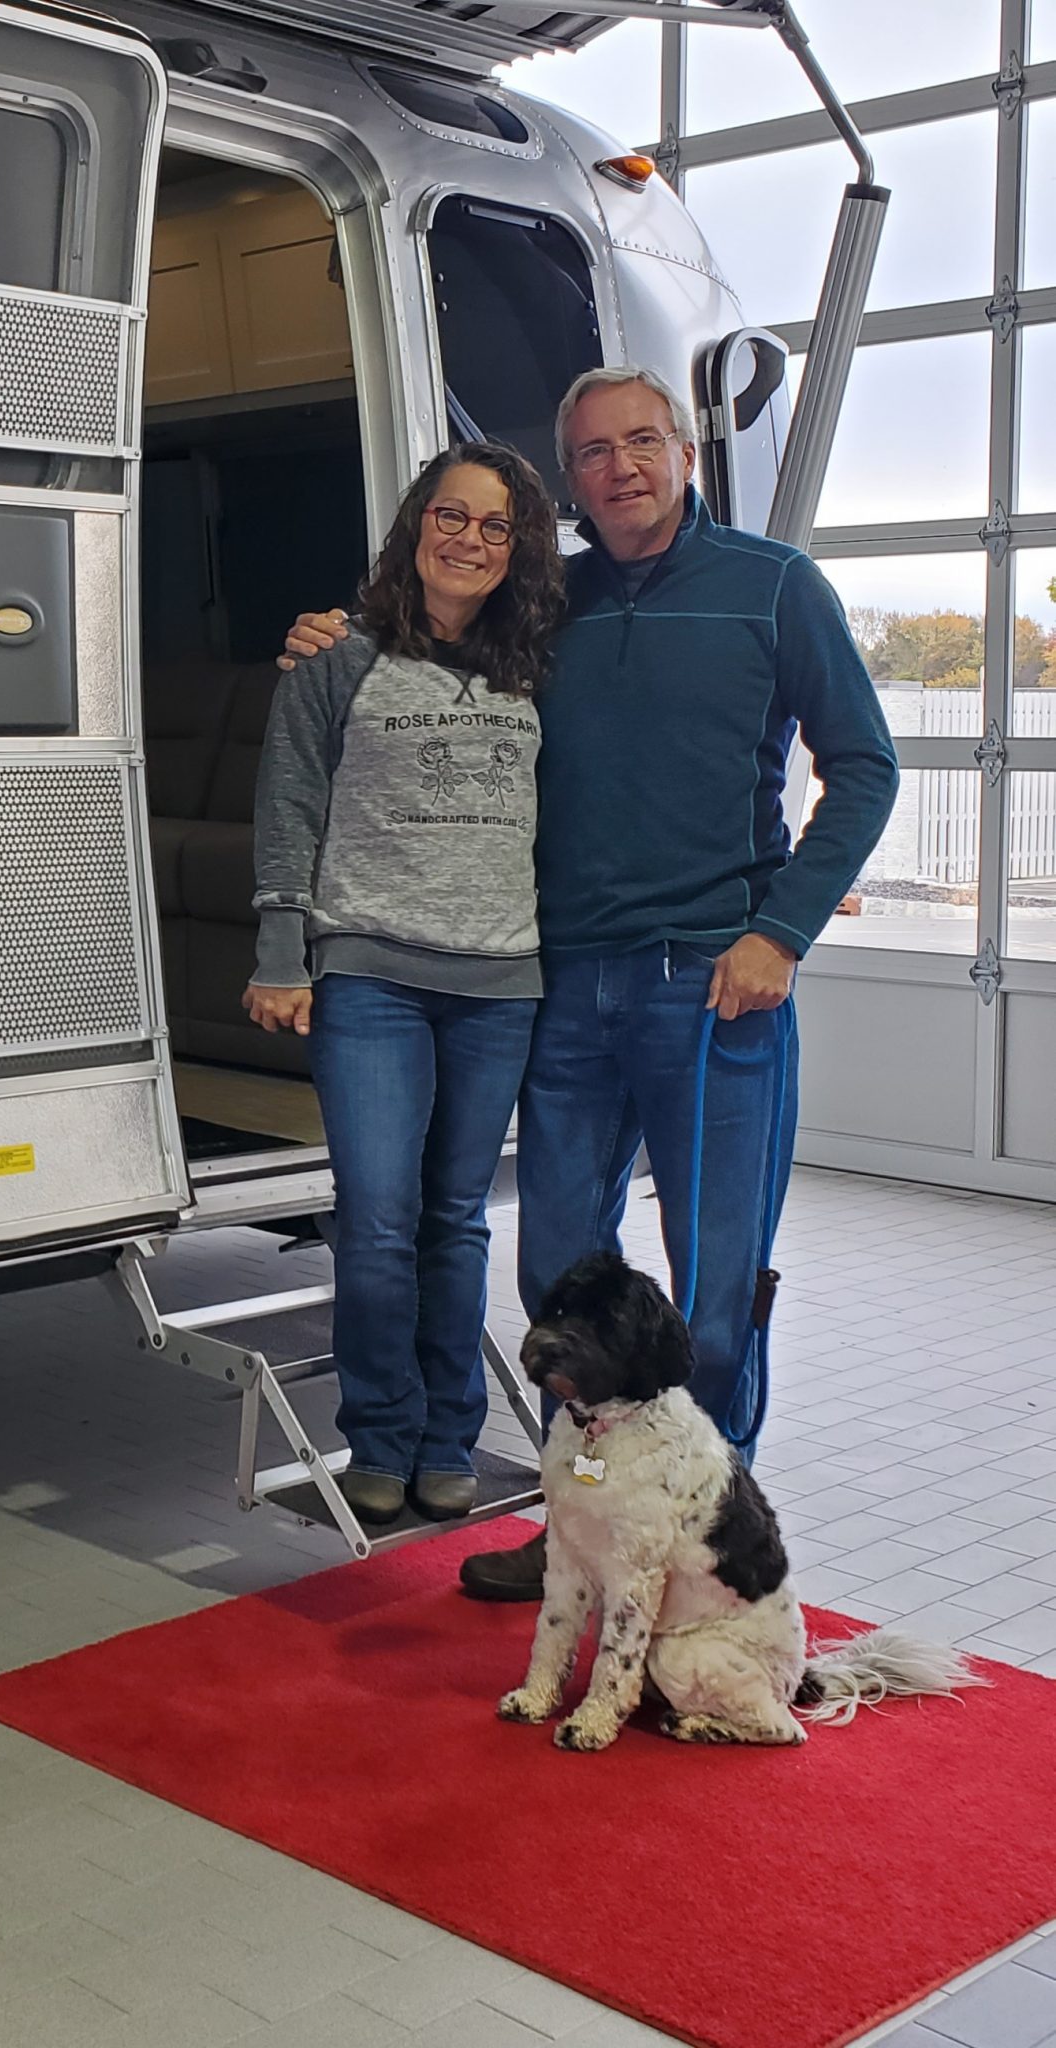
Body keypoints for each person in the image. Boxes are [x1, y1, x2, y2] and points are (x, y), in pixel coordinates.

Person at [278, 366, 899, 1594]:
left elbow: (864, 767)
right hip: (562, 989)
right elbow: (422, 650)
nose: (621, 467)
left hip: (713, 988)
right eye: (595, 451)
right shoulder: (544, 602)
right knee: (557, 1279)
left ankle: (704, 1546)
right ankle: (582, 1527)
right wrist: (327, 636)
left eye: (643, 441)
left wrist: (781, 931)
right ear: (567, 476)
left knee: (714, 1285)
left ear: (685, 452)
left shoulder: (775, 587)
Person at [245, 444, 563, 1527]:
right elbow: (289, 801)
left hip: (498, 982)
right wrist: (281, 952)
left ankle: (448, 1436)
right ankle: (380, 1435)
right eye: (451, 515)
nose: (469, 539)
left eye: (496, 525)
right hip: (369, 974)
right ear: (416, 524)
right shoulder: (338, 655)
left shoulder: (540, 662)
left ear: (519, 548)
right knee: (378, 1218)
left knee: (455, 1221)